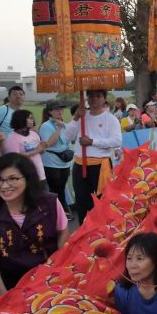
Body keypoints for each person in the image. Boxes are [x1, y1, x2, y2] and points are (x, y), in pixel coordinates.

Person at [0, 153, 68, 293]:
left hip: (51, 278)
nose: (5, 186)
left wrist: (59, 273)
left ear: (28, 179)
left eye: (13, 179)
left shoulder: (49, 202)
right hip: (11, 283)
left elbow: (63, 234)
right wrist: (4, 295)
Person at [64, 89, 122, 225]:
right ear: (87, 98)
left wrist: (92, 141)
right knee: (82, 201)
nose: (95, 99)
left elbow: (116, 141)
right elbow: (68, 136)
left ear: (104, 98)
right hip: (80, 165)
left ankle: (103, 230)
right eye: (91, 96)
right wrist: (76, 118)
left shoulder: (111, 119)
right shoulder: (82, 117)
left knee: (102, 201)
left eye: (98, 96)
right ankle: (84, 231)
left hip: (100, 166)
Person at [3, 109, 49, 189]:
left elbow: (40, 153)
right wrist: (36, 150)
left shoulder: (34, 134)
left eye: (32, 118)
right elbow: (15, 157)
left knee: (44, 198)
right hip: (24, 176)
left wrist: (42, 147)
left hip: (40, 174)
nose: (32, 120)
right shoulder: (12, 137)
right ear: (21, 119)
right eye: (30, 118)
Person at [39, 101, 72, 211]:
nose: (60, 111)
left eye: (61, 109)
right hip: (51, 162)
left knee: (61, 188)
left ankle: (62, 211)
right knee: (54, 189)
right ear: (50, 112)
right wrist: (58, 128)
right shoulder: (46, 126)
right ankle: (60, 211)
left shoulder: (64, 124)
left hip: (64, 162)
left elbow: (69, 141)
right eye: (56, 109)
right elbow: (49, 143)